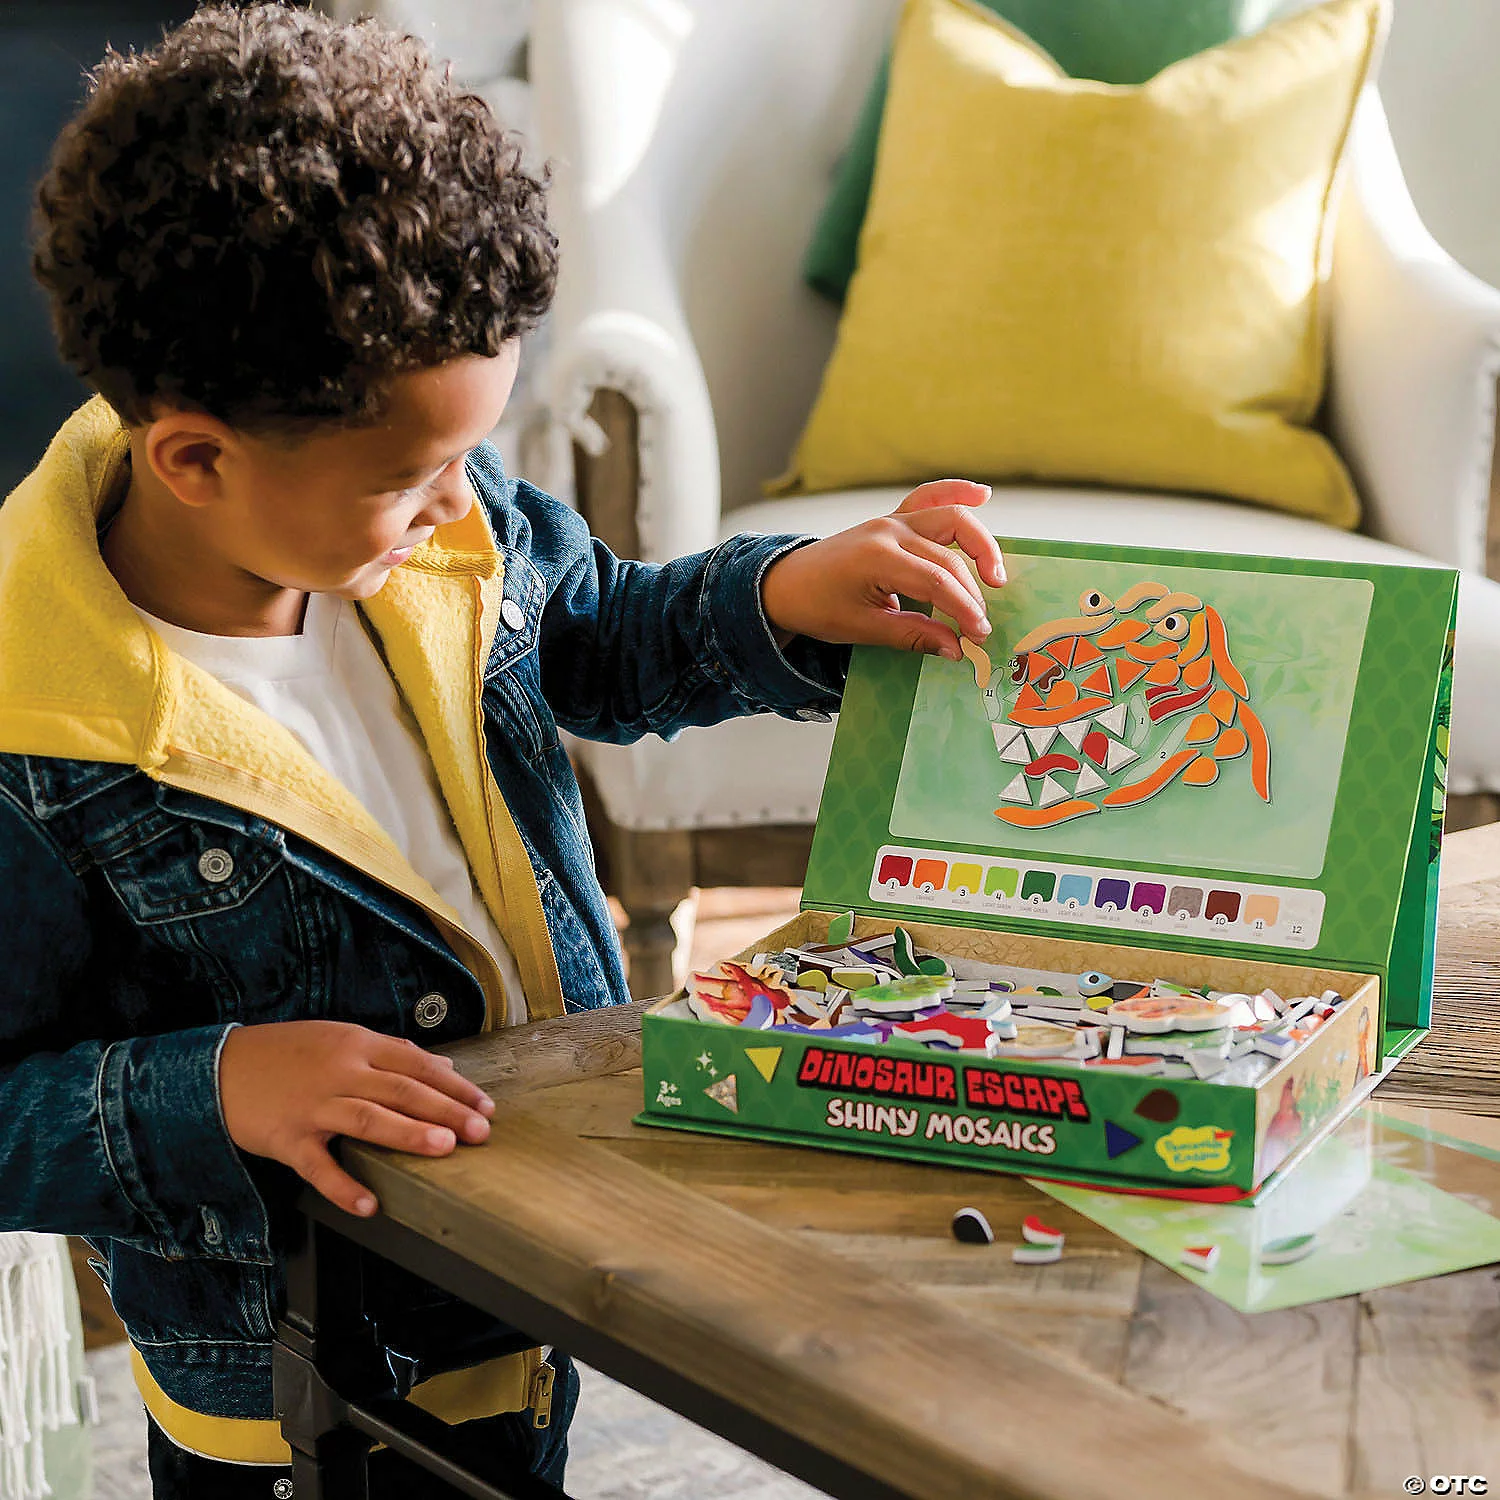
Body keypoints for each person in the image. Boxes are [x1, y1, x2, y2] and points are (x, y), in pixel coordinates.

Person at [0, 5, 1005, 1496]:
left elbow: (597, 633)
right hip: (288, 1398)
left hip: (526, 1292)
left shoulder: (435, 526)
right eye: (413, 474)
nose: (462, 503)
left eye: (472, 450)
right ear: (195, 459)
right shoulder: (38, 734)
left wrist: (783, 596)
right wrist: (213, 1088)